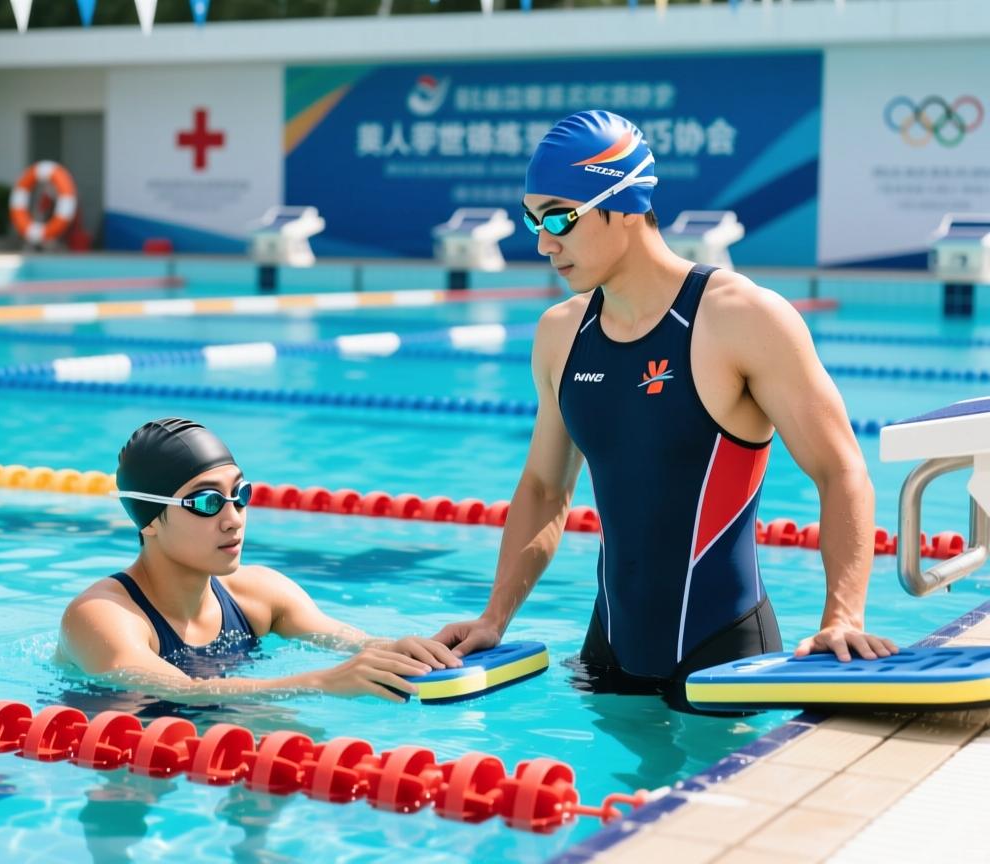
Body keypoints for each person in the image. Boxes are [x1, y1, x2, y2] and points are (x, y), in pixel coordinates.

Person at [432, 110, 897, 711]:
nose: (543, 243)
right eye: (533, 219)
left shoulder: (740, 318)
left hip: (724, 657)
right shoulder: (561, 334)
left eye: (558, 217)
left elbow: (842, 471)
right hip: (607, 655)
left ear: (622, 203)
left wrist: (842, 616)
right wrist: (495, 616)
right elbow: (546, 489)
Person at [57, 417, 459, 703]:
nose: (233, 519)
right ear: (149, 522)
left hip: (217, 719)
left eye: (240, 494)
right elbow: (182, 691)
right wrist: (323, 682)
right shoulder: (101, 615)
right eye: (207, 502)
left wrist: (401, 649)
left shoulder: (258, 592)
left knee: (290, 735)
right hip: (118, 744)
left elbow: (347, 641)